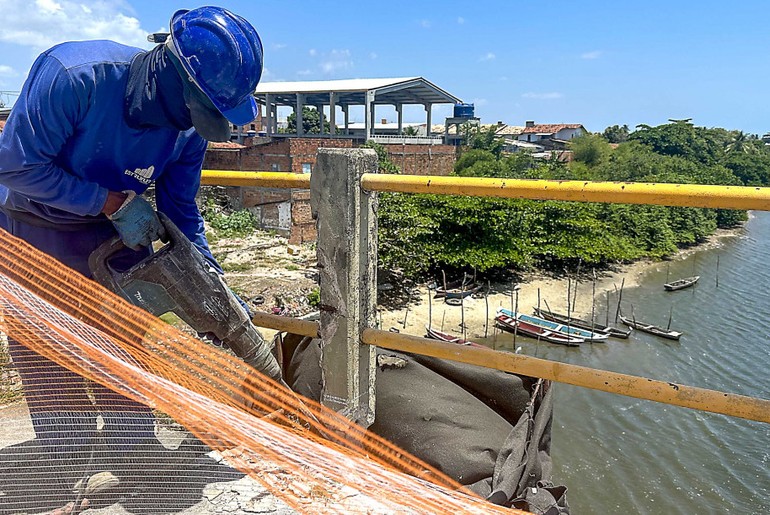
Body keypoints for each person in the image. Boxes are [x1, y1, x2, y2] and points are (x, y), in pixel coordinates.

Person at [0, 6, 263, 512]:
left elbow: (182, 212)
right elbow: (14, 166)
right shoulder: (74, 77)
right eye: (197, 110)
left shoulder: (188, 130)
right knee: (46, 343)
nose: (196, 125)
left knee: (126, 332)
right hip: (32, 224)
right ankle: (71, 454)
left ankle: (131, 444)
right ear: (170, 74)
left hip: (118, 229)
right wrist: (109, 202)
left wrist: (210, 279)